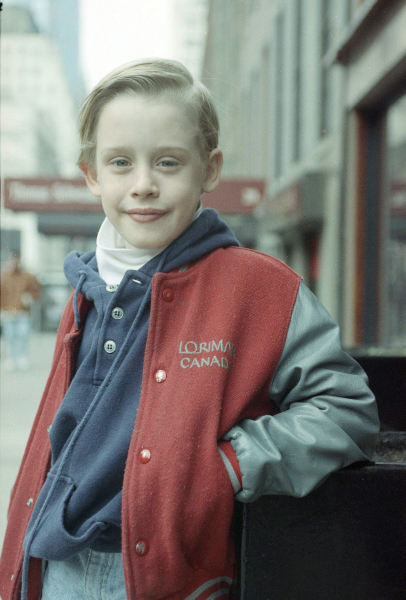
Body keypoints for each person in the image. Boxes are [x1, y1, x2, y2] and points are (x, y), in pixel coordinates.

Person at [0, 59, 379, 600]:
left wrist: (230, 465)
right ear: (91, 174)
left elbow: (346, 410)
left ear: (209, 169)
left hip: (168, 575)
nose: (144, 185)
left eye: (169, 162)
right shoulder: (86, 287)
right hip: (54, 565)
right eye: (121, 162)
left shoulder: (261, 288)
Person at [0, 251, 40, 371]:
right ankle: (11, 358)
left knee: (23, 335)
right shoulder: (5, 276)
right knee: (9, 336)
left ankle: (22, 356)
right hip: (8, 311)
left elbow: (36, 289)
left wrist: (30, 298)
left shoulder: (27, 276)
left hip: (23, 311)